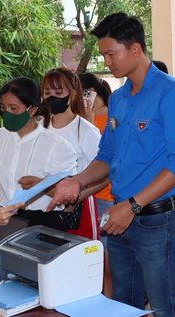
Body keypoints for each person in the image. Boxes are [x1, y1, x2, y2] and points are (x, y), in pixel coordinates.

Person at [48, 12, 175, 317]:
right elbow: (106, 156)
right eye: (103, 54)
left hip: (155, 220)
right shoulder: (118, 99)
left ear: (135, 49)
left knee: (165, 307)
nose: (107, 61)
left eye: (111, 53)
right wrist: (76, 181)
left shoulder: (171, 93)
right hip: (118, 216)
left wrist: (133, 206)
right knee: (122, 305)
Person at [0, 76, 77, 230]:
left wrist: (41, 186)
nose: (7, 113)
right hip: (5, 217)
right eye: (3, 107)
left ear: (32, 109)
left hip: (43, 221)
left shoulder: (56, 146)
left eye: (14, 108)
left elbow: (68, 197)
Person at [40, 68, 105, 239]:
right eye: (47, 92)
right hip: (44, 209)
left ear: (73, 94)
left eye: (58, 92)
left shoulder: (86, 131)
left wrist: (76, 198)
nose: (51, 96)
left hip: (78, 211)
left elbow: (107, 174)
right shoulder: (39, 127)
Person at [79, 71, 115, 297]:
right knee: (91, 259)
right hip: (86, 197)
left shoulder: (114, 117)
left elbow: (109, 159)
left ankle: (111, 300)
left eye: (87, 92)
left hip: (107, 198)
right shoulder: (80, 121)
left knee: (108, 260)